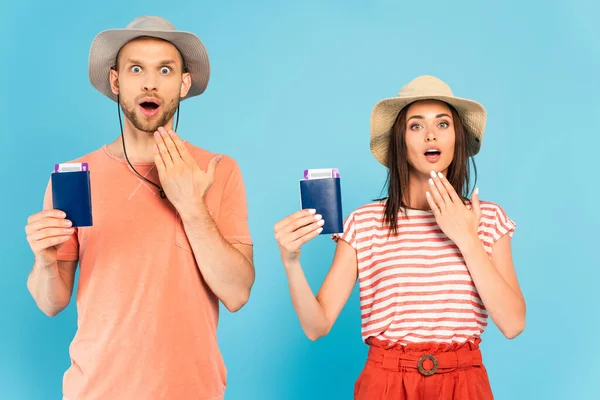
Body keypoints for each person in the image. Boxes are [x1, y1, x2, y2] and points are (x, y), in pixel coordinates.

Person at [24, 16, 254, 400]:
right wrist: (46, 262)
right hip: (95, 391)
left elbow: (237, 293)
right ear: (116, 82)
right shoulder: (74, 177)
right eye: (136, 69)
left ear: (183, 84)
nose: (150, 82)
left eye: (165, 70)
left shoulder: (217, 170)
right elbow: (52, 302)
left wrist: (191, 206)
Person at [274, 75, 525, 399]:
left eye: (443, 124)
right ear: (400, 142)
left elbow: (513, 323)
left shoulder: (487, 218)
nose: (431, 134)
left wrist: (467, 238)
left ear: (456, 138)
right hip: (387, 383)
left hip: (464, 384)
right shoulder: (364, 223)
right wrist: (291, 262)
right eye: (416, 126)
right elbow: (316, 326)